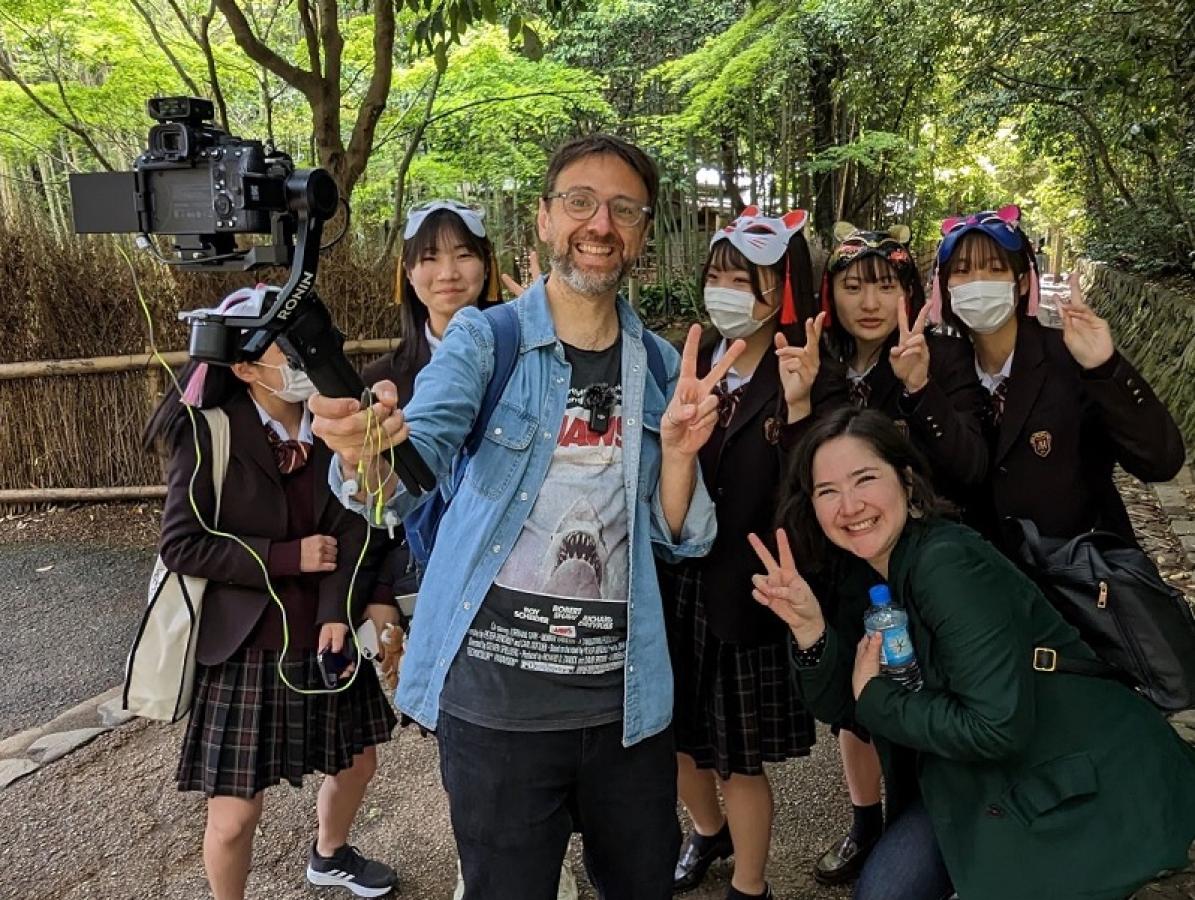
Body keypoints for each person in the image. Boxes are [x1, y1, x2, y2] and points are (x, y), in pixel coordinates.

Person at [311, 134, 738, 900]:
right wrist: (364, 453)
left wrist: (677, 454)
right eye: (579, 202)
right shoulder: (484, 340)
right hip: (496, 709)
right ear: (544, 219)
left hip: (624, 704)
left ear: (643, 231)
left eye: (623, 209)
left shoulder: (659, 365)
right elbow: (412, 467)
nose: (599, 223)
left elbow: (676, 537)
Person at [753, 406, 1195, 900]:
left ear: (906, 480)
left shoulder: (947, 566)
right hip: (963, 774)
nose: (850, 505)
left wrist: (879, 698)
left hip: (1066, 770)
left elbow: (994, 727)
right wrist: (810, 629)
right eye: (827, 491)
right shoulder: (865, 572)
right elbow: (844, 705)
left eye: (865, 479)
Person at [145, 287, 398, 900]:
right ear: (244, 367)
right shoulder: (208, 432)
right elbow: (182, 544)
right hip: (245, 642)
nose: (304, 359)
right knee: (234, 818)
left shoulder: (337, 422)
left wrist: (338, 610)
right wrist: (286, 556)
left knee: (358, 762)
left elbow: (357, 524)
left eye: (308, 343)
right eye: (288, 349)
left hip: (323, 628)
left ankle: (330, 854)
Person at [781, 222, 988, 885]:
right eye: (852, 286)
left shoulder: (942, 354)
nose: (869, 303)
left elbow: (971, 469)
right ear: (830, 294)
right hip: (848, 567)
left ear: (910, 291)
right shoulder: (820, 361)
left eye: (885, 285)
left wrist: (921, 389)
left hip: (927, 569)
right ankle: (867, 820)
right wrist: (799, 403)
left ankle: (945, 825)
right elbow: (806, 483)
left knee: (935, 691)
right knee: (857, 695)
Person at [661, 208, 818, 900]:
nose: (726, 292)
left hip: (748, 589)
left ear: (781, 290)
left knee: (738, 760)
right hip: (676, 582)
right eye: (717, 277)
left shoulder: (802, 375)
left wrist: (801, 408)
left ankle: (750, 885)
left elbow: (812, 488)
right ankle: (706, 831)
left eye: (745, 280)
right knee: (673, 737)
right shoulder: (686, 364)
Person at [926, 205, 1183, 553]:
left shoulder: (1067, 358)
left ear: (1021, 282)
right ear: (945, 288)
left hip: (1078, 570)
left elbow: (1161, 461)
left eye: (995, 268)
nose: (978, 282)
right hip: (983, 574)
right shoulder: (938, 371)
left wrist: (1106, 369)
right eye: (962, 271)